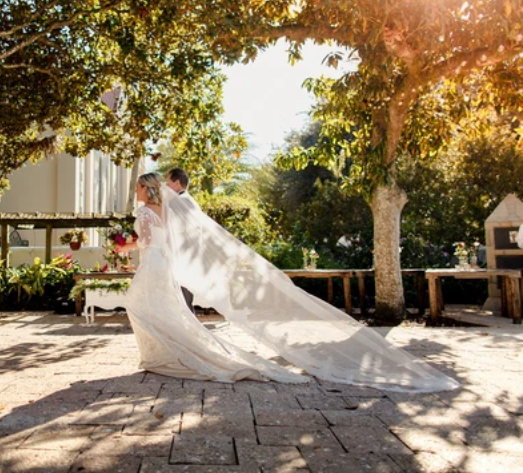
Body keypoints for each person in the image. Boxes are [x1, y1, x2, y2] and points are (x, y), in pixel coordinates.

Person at [116, 172, 460, 392]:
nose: (135, 191)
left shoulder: (146, 211)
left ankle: (162, 354)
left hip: (153, 263)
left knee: (142, 306)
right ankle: (161, 353)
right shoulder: (165, 210)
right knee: (158, 309)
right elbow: (163, 241)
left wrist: (123, 245)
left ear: (145, 189)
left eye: (137, 187)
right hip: (162, 264)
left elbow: (146, 241)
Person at [164, 168, 195, 313]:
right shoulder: (187, 200)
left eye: (168, 182)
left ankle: (190, 334)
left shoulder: (180, 202)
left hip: (182, 259)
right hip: (184, 257)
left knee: (183, 302)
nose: (166, 186)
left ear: (177, 183)